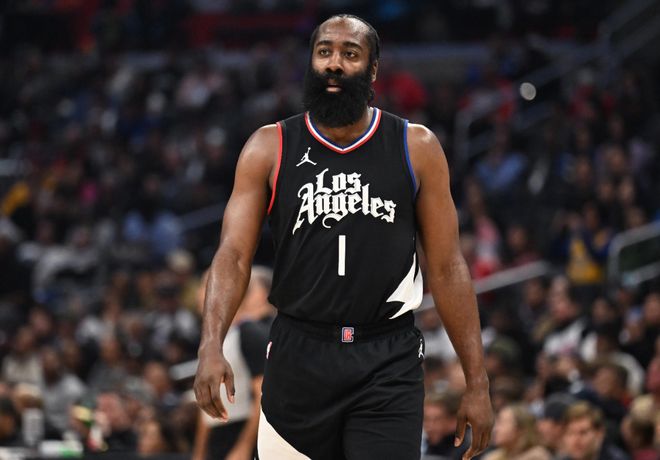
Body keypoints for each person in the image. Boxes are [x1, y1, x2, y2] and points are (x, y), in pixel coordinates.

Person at [194, 14, 493, 460]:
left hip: (386, 356)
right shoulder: (269, 146)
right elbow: (234, 255)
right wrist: (210, 344)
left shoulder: (416, 146)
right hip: (299, 351)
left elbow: (448, 267)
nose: (334, 63)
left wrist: (477, 381)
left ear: (372, 70)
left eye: (350, 54)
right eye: (324, 52)